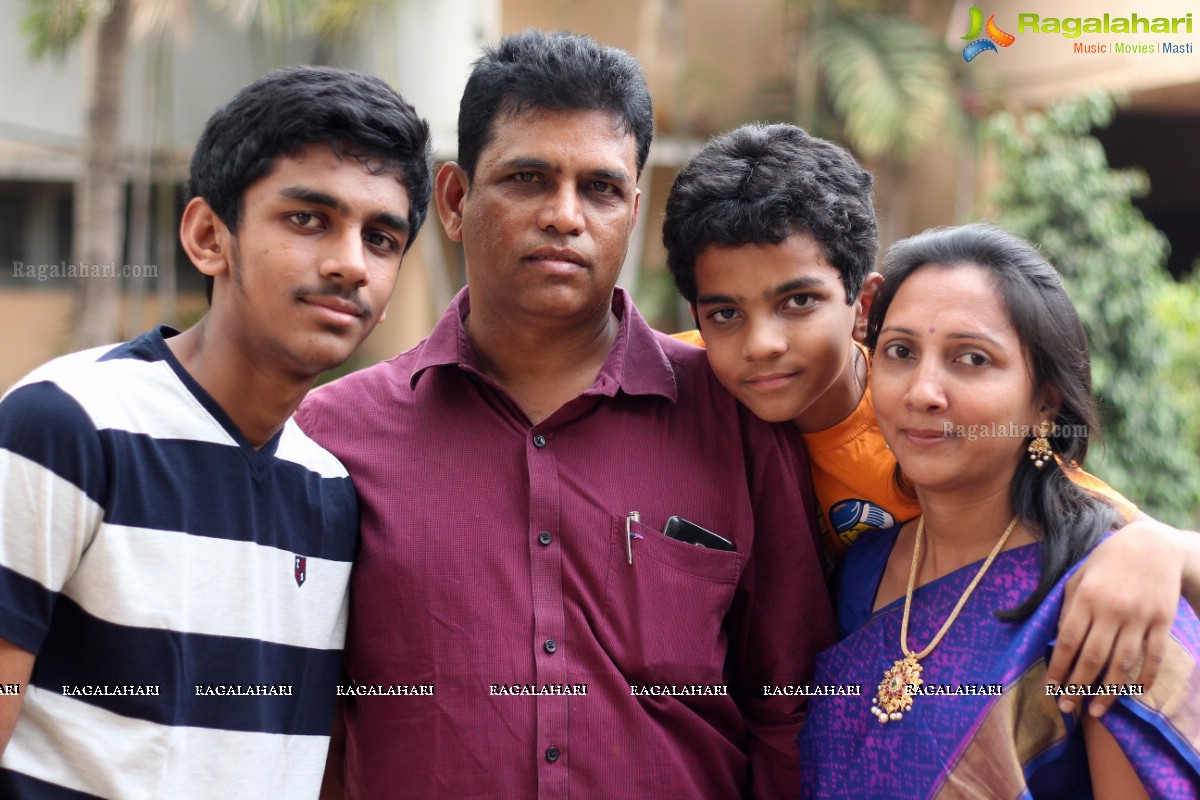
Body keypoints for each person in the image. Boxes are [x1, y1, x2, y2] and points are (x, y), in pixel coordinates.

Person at [296, 30, 834, 800]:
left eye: (601, 188)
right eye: (527, 178)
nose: (565, 215)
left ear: (635, 212)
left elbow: (790, 708)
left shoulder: (738, 418)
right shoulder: (334, 436)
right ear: (454, 200)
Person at [661, 122, 1200, 714]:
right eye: (726, 314)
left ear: (863, 307)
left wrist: (1162, 548)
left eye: (799, 302)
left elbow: (1092, 516)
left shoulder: (923, 432)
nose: (762, 343)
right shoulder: (678, 386)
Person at [0, 66, 433, 797]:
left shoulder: (331, 494)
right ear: (208, 236)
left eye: (382, 238)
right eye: (307, 219)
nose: (350, 264)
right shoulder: (67, 424)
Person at [797, 223, 1200, 797]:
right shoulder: (861, 568)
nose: (922, 391)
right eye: (901, 352)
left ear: (1044, 402)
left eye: (971, 358)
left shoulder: (1110, 592)